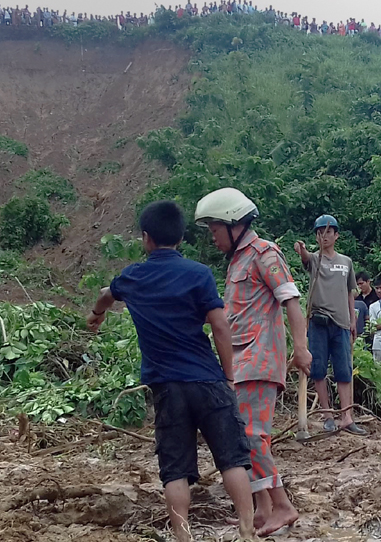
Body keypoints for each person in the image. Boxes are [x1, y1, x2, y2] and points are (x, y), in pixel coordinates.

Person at [86, 201, 255, 542]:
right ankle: (247, 532)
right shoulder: (198, 274)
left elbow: (107, 294)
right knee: (232, 459)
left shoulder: (133, 276)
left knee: (174, 470)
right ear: (180, 238)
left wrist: (97, 315)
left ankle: (183, 536)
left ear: (146, 239)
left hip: (167, 387)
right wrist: (229, 375)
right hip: (207, 380)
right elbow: (220, 327)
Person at [195, 188, 313, 536]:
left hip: (260, 358)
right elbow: (234, 313)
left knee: (252, 436)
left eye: (215, 230)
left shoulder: (265, 254)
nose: (213, 238)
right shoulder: (237, 261)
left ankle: (282, 506)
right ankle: (262, 509)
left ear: (233, 224)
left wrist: (301, 348)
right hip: (242, 358)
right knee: (244, 434)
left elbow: (291, 300)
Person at [294, 215, 367, 435]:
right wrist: (302, 250)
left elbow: (350, 292)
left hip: (342, 323)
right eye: (320, 232)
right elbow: (306, 258)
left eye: (328, 232)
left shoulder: (346, 262)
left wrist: (352, 320)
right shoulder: (315, 260)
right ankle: (327, 415)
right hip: (318, 321)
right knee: (318, 369)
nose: (324, 236)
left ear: (336, 235)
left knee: (344, 370)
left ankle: (346, 416)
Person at [366, 277, 381, 359]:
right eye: (377, 288)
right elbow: (372, 327)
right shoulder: (373, 306)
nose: (379, 291)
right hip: (378, 342)